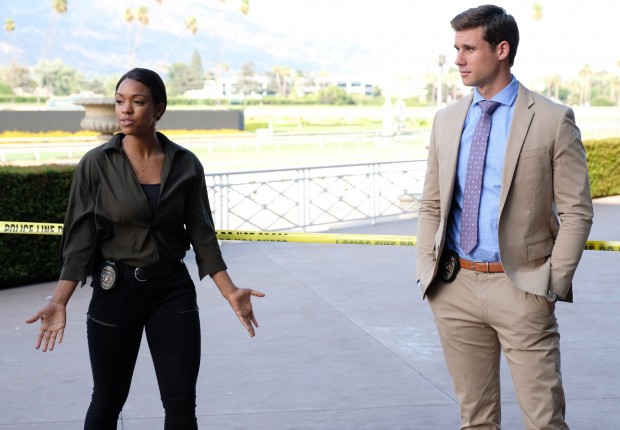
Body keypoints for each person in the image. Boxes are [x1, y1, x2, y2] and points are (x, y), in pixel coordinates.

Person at [26, 67, 265, 429]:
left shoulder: (186, 164)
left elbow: (202, 236)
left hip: (172, 291)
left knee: (181, 406)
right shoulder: (96, 164)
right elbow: (80, 241)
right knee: (107, 401)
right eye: (120, 101)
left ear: (158, 109)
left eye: (137, 102)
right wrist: (59, 300)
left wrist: (230, 291)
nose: (125, 110)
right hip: (115, 292)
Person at [415, 5, 593, 429]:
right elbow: (431, 204)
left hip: (522, 289)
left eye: (468, 49)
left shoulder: (552, 119)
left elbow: (577, 211)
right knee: (475, 421)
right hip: (454, 286)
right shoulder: (446, 120)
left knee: (544, 421)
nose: (458, 59)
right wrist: (427, 270)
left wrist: (550, 284)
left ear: (501, 50)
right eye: (456, 48)